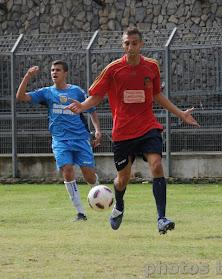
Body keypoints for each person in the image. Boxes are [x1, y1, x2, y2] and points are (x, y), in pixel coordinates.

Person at [66, 27, 200, 234]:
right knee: (122, 179)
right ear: (123, 45)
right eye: (127, 43)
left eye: (134, 43)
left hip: (148, 128)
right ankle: (118, 206)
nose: (131, 47)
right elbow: (97, 94)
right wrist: (83, 106)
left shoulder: (152, 67)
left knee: (156, 166)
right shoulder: (113, 70)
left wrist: (180, 113)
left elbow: (157, 94)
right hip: (122, 133)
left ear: (141, 44)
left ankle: (161, 218)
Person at [16, 60, 102, 221]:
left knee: (89, 175)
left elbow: (91, 110)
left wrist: (97, 130)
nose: (54, 73)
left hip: (81, 138)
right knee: (67, 170)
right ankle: (80, 212)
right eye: (52, 70)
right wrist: (27, 76)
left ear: (65, 73)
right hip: (60, 140)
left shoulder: (76, 91)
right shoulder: (47, 92)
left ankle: (100, 195)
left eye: (58, 70)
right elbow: (21, 97)